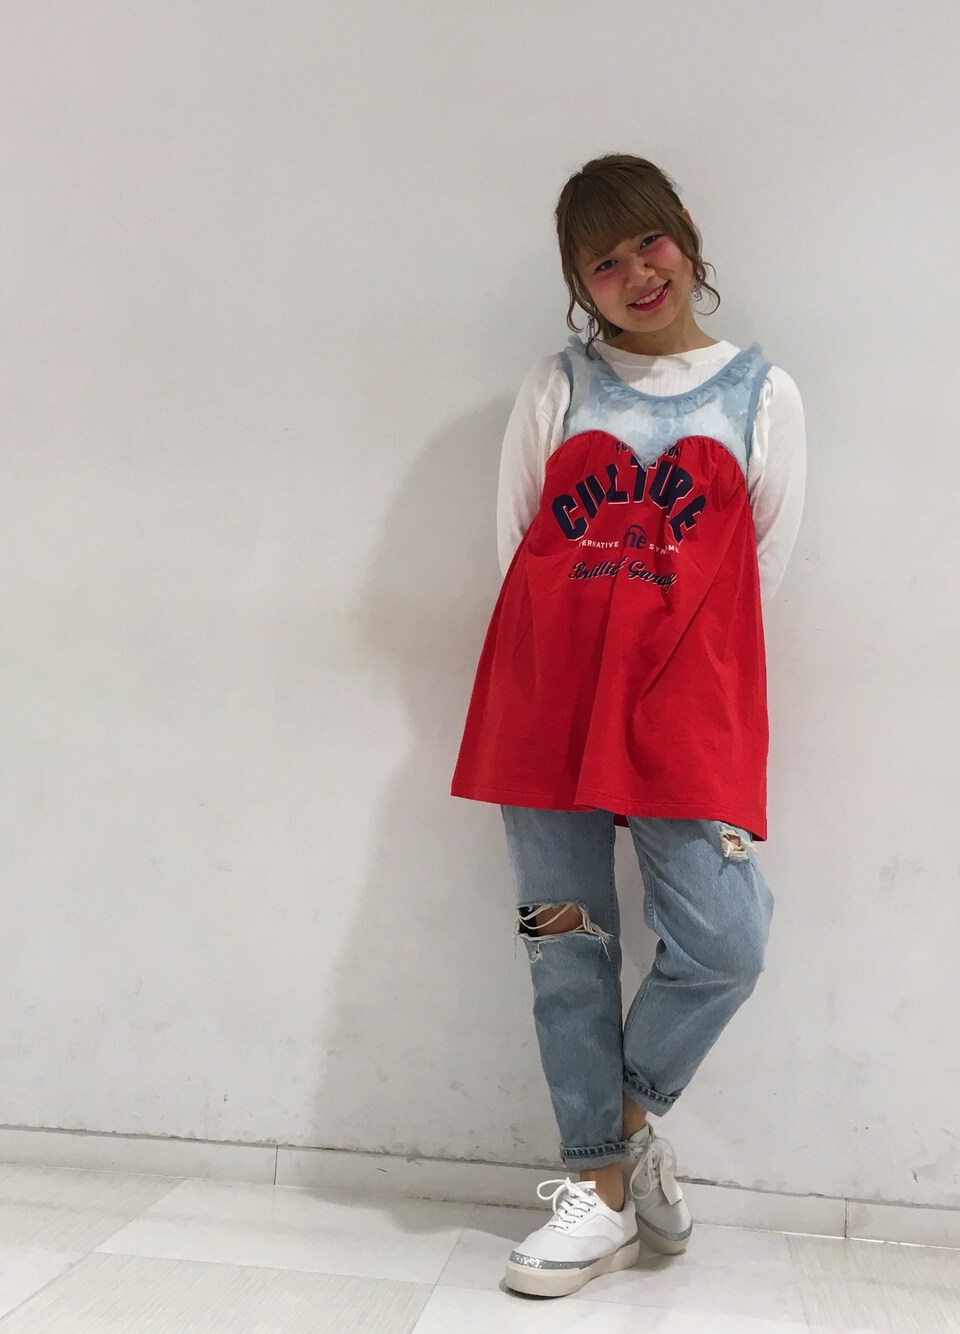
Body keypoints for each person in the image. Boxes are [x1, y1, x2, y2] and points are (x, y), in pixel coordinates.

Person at [450, 154, 806, 1299]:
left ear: (685, 234)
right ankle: (597, 1193)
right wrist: (574, 670)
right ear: (577, 285)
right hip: (544, 714)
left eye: (647, 241)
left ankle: (622, 1124)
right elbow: (519, 544)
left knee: (725, 938)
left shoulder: (762, 394)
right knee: (562, 938)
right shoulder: (554, 387)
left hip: (684, 718)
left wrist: (660, 669)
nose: (635, 273)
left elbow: (756, 576)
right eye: (601, 262)